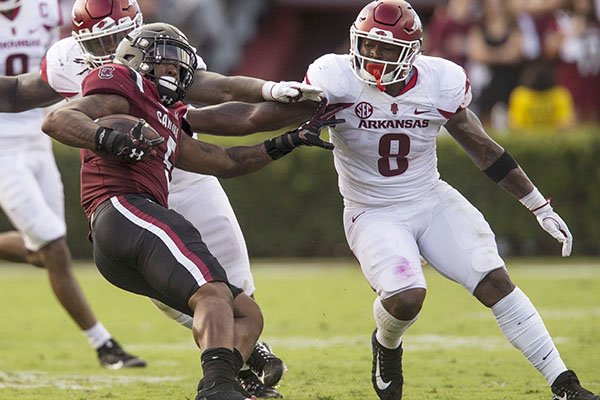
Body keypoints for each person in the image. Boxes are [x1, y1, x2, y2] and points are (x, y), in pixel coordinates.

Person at [0, 0, 324, 396]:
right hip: (126, 200)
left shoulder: (164, 86)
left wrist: (285, 123)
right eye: (100, 43)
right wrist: (110, 138)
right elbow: (47, 111)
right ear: (81, 42)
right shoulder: (110, 80)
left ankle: (234, 369)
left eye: (117, 39)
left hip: (177, 173)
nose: (112, 51)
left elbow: (224, 147)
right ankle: (220, 383)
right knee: (204, 291)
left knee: (237, 298)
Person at [302, 1, 599, 399]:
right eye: (368, 45)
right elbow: (267, 117)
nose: (373, 56)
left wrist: (538, 205)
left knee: (493, 278)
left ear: (411, 52)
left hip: (429, 197)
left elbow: (483, 148)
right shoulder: (334, 78)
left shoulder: (438, 80)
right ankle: (386, 345)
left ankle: (564, 383)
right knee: (407, 297)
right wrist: (276, 102)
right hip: (372, 210)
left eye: (385, 48)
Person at [0, 0, 145, 369]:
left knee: (42, 253)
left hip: (38, 136)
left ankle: (104, 345)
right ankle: (104, 344)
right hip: (1, 144)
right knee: (54, 246)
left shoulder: (46, 8)